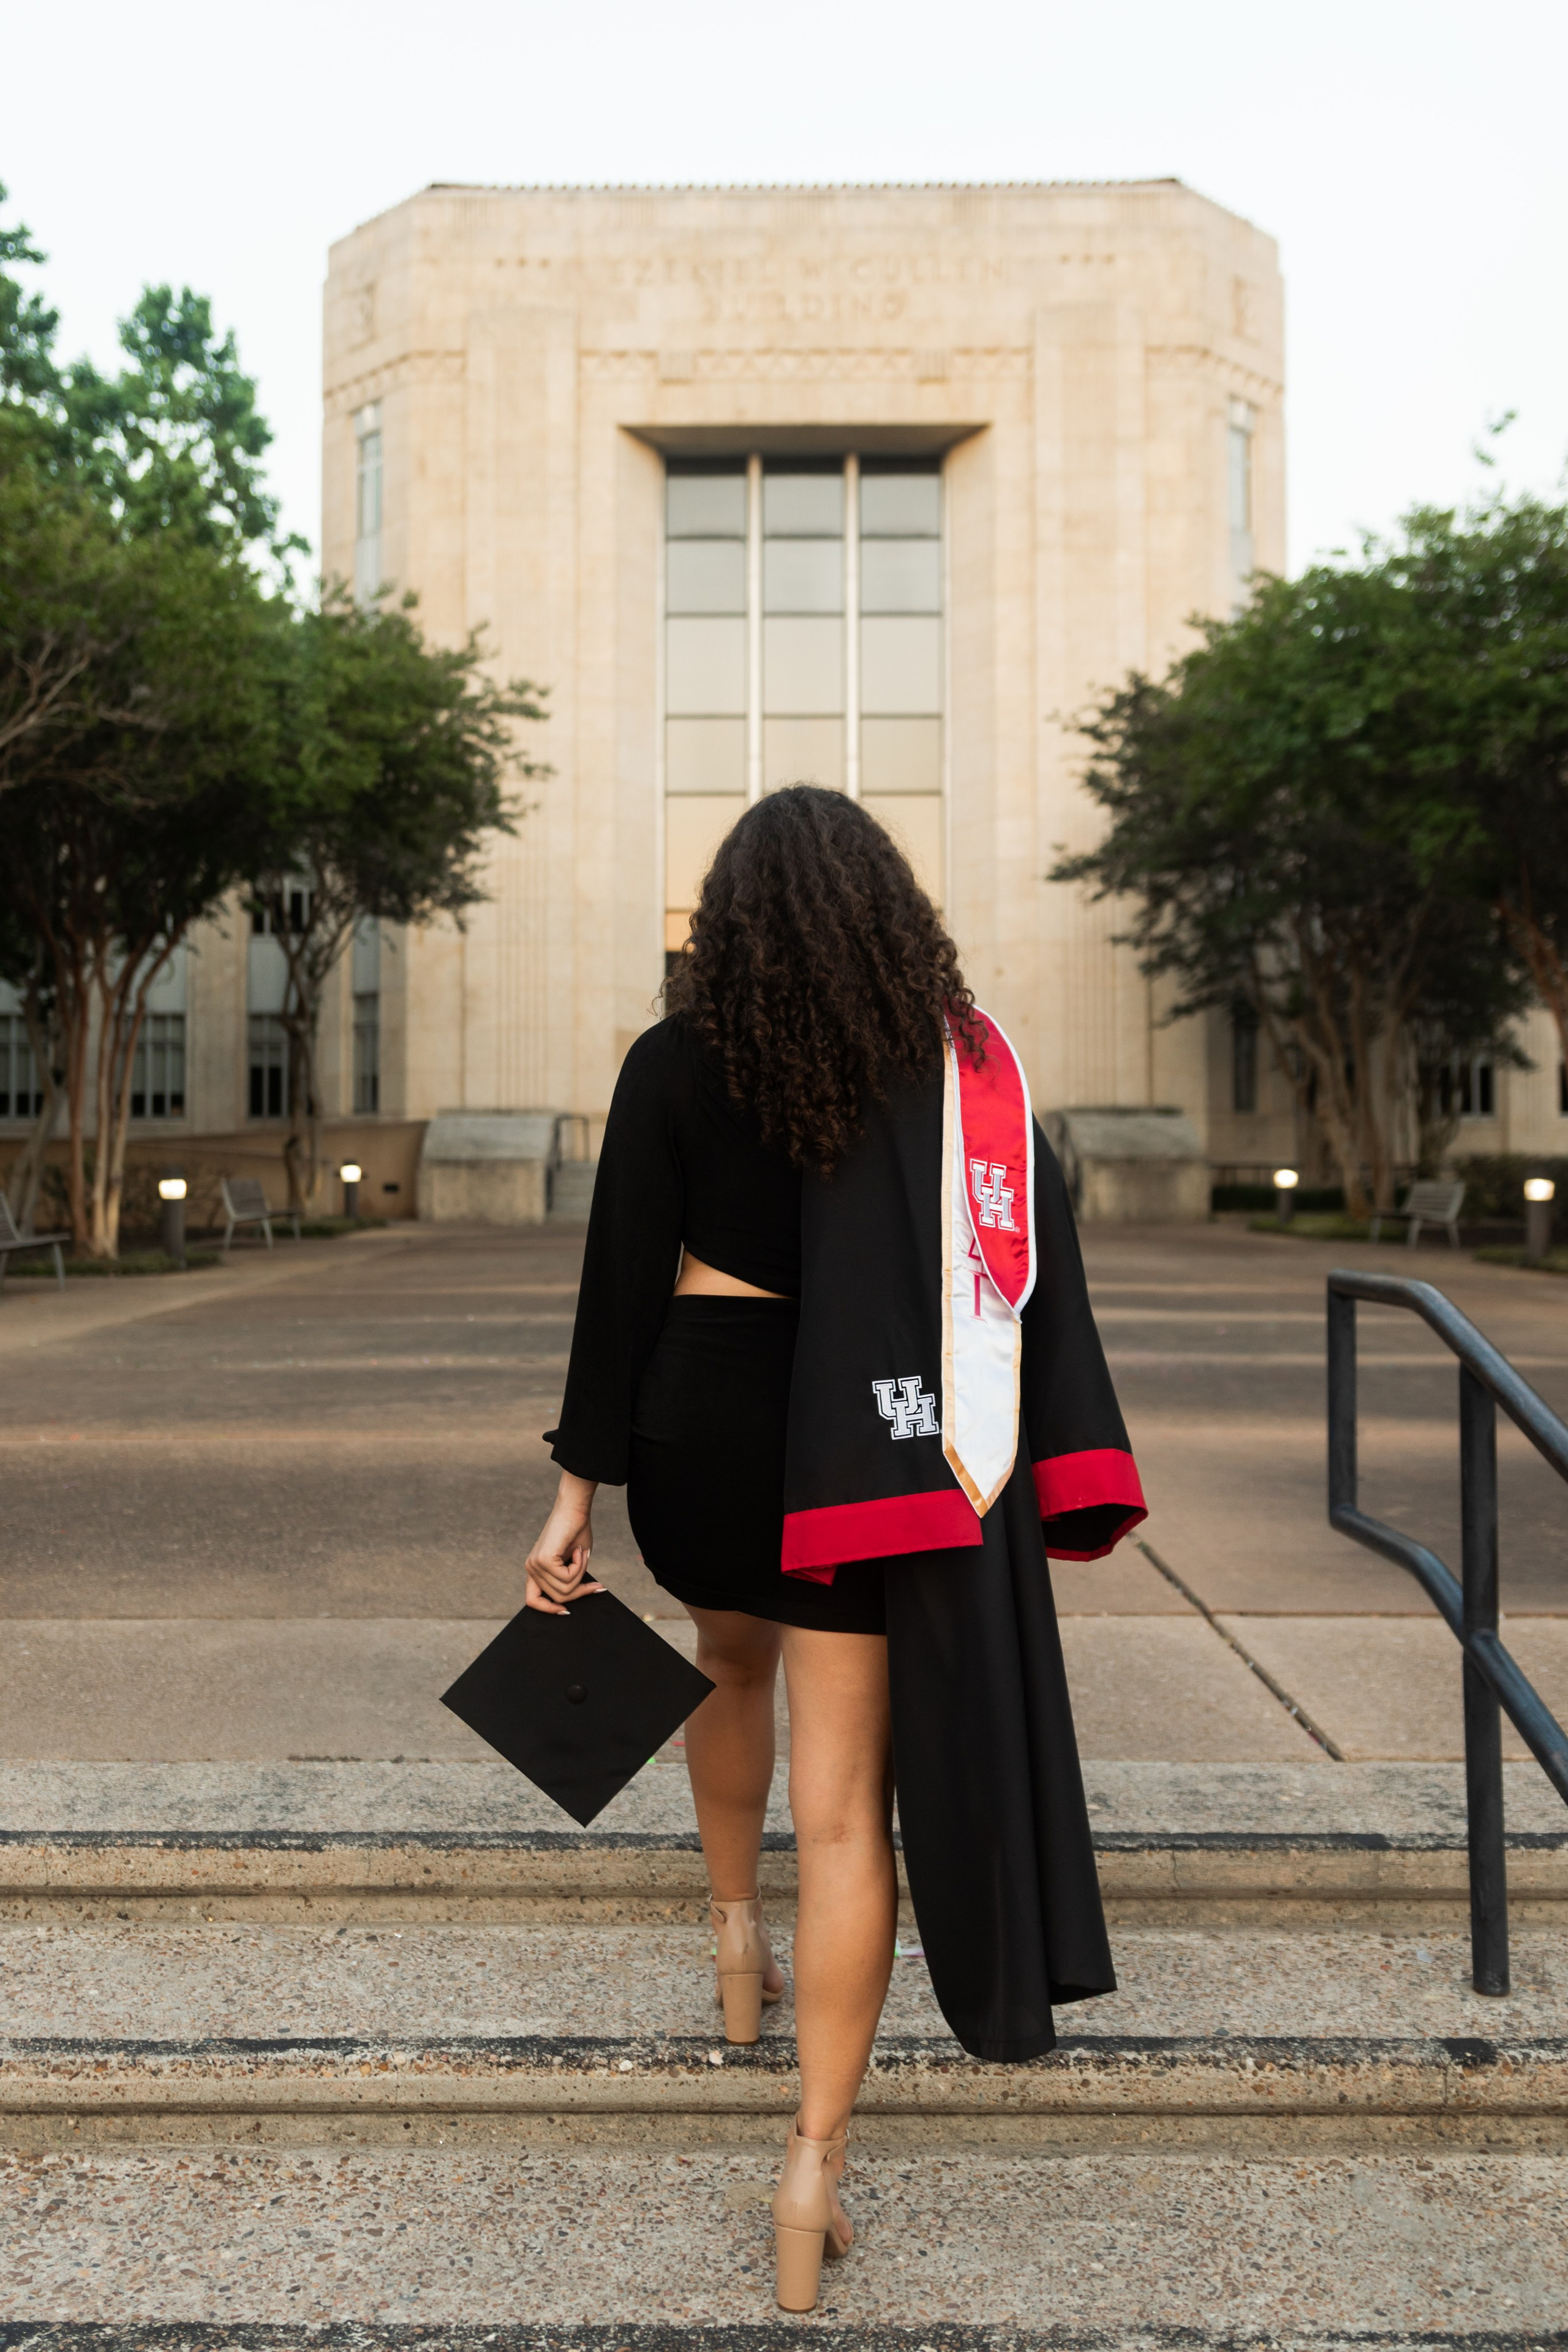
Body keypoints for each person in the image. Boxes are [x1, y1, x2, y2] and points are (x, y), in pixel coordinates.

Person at [527, 785, 1144, 2312]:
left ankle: (736, 1948)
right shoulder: (939, 1066)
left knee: (722, 1658)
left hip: (703, 1438)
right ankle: (811, 2161)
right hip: (865, 1452)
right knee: (850, 1810)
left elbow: (617, 1290)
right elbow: (1022, 1276)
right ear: (886, 909)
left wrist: (570, 1501)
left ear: (726, 917)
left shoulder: (672, 1062)